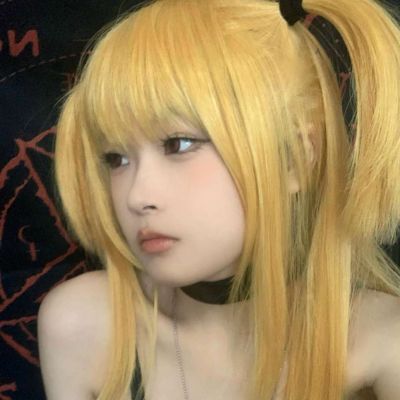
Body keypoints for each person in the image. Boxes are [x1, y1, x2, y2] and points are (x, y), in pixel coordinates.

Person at [37, 0, 400, 399]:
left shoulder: (382, 343)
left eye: (179, 144)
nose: (137, 197)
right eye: (116, 159)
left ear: (295, 158)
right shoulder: (85, 326)